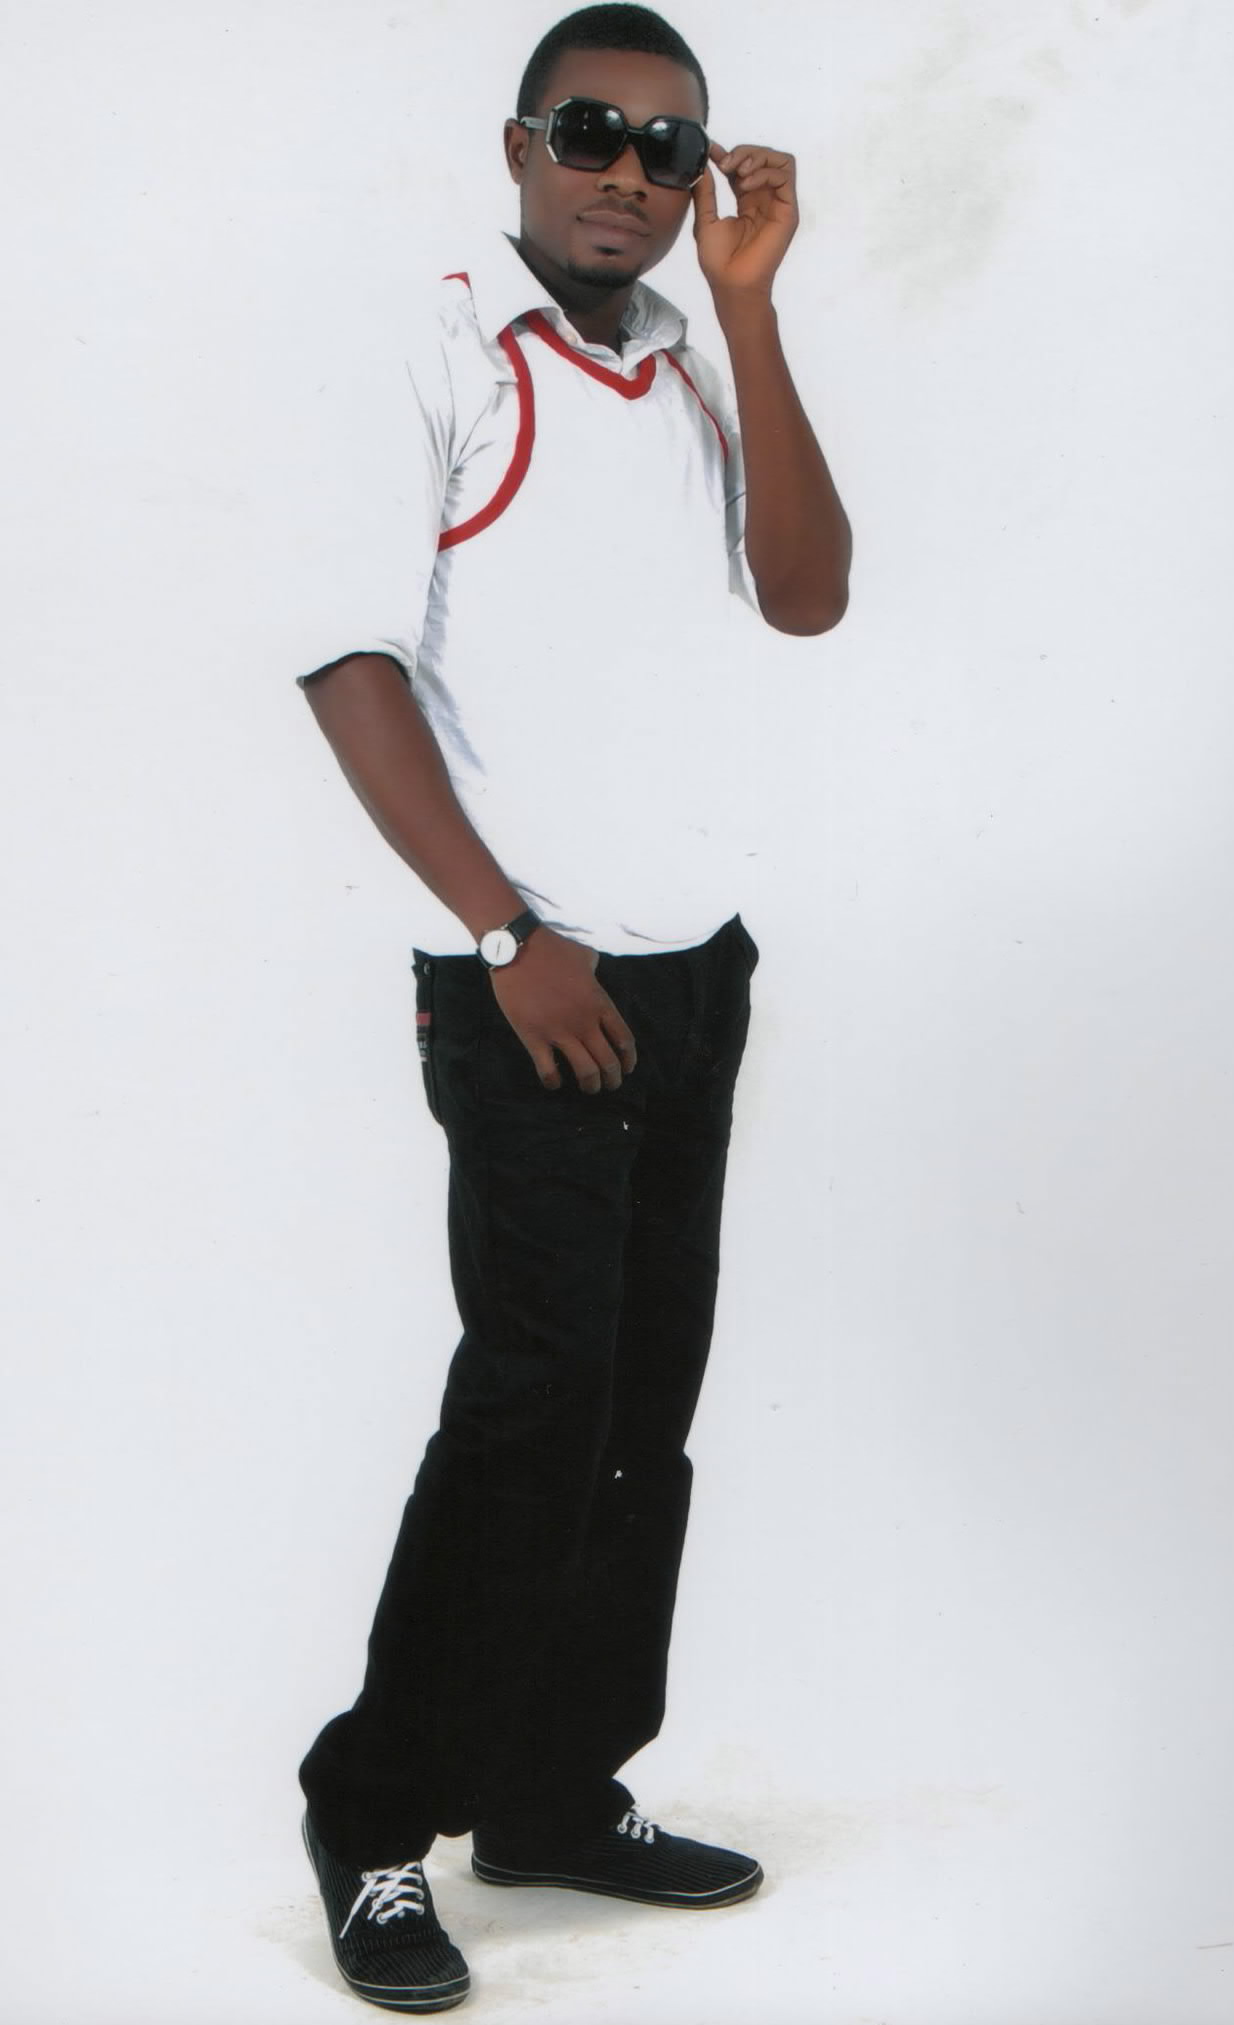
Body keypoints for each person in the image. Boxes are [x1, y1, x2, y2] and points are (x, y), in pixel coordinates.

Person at [293, 4, 851, 2010]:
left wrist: (751, 311)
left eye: (667, 147)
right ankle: (373, 1816)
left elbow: (805, 591)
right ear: (518, 143)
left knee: (639, 1414)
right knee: (533, 1408)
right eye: (590, 131)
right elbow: (348, 661)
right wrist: (504, 930)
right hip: (528, 976)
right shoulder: (440, 348)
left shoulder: (692, 362)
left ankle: (548, 1786)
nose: (627, 171)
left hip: (691, 968)